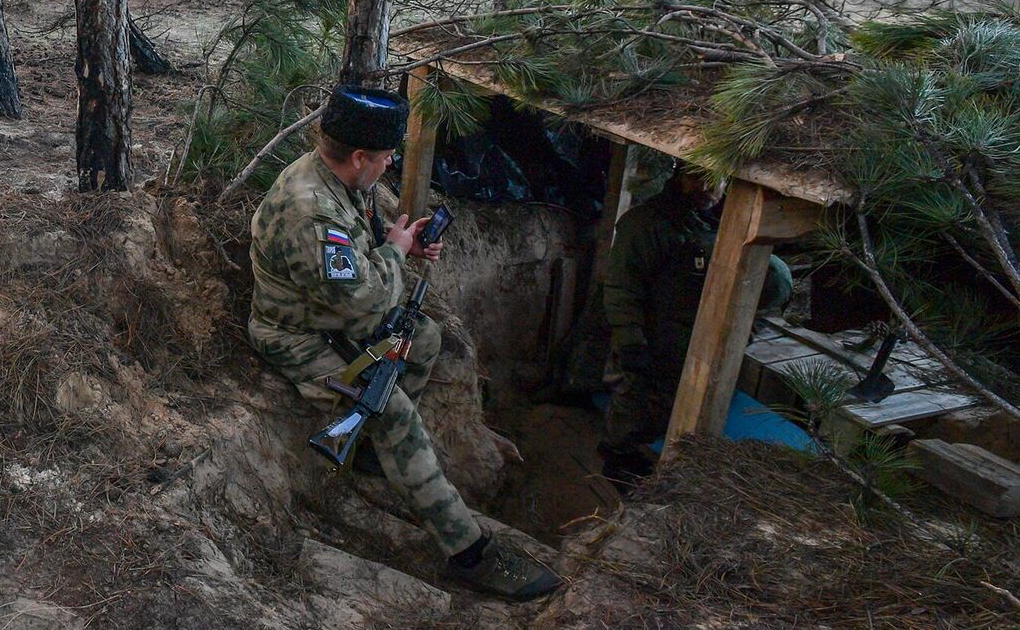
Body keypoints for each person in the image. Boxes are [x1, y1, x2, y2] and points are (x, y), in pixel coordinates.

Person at [248, 85, 562, 602]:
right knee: (392, 409)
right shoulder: (311, 210)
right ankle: (468, 552)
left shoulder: (339, 179)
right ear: (358, 157)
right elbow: (365, 304)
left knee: (427, 340)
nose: (391, 163)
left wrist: (397, 244)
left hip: (333, 320)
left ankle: (374, 453)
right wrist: (396, 251)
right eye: (387, 155)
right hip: (297, 336)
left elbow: (355, 264)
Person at [599, 164, 792, 483]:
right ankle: (617, 457)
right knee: (635, 395)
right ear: (679, 178)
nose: (707, 189)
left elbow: (768, 281)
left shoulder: (723, 225)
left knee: (682, 400)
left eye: (714, 181)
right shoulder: (644, 225)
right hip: (650, 333)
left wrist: (744, 331)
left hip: (695, 336)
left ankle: (667, 455)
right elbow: (622, 289)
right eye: (696, 179)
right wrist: (631, 341)